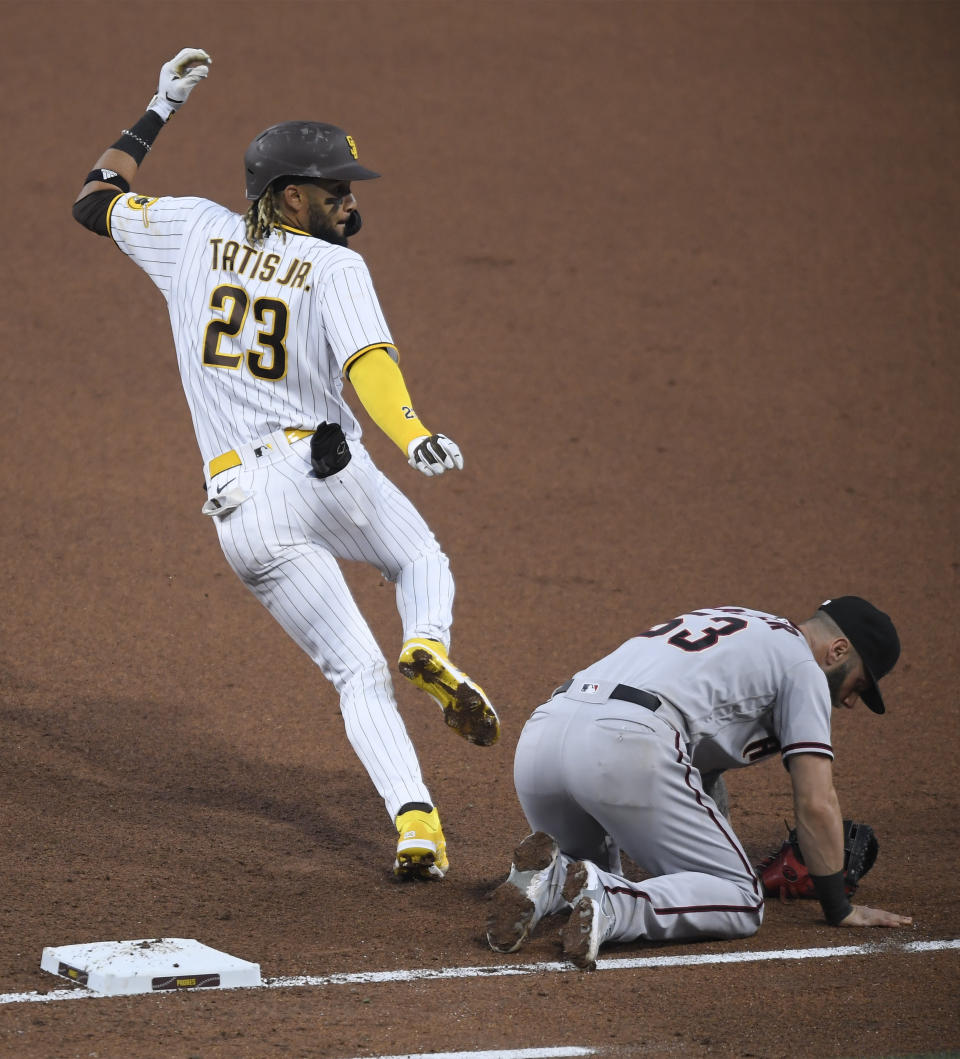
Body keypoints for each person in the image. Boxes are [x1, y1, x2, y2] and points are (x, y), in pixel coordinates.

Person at [72, 48, 500, 881]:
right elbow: (372, 360)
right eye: (334, 187)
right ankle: (427, 642)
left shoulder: (189, 228)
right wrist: (412, 433)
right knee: (419, 557)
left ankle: (417, 825)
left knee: (353, 673)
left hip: (244, 507)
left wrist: (159, 106)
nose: (348, 200)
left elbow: (95, 199)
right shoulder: (336, 265)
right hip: (327, 475)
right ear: (290, 196)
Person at [485, 596, 912, 968]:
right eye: (860, 684)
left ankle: (552, 879)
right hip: (622, 741)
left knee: (588, 867)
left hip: (543, 735)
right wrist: (838, 907)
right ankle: (611, 901)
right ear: (838, 650)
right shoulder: (804, 667)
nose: (852, 700)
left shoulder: (739, 623)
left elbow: (700, 765)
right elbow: (817, 800)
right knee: (740, 899)